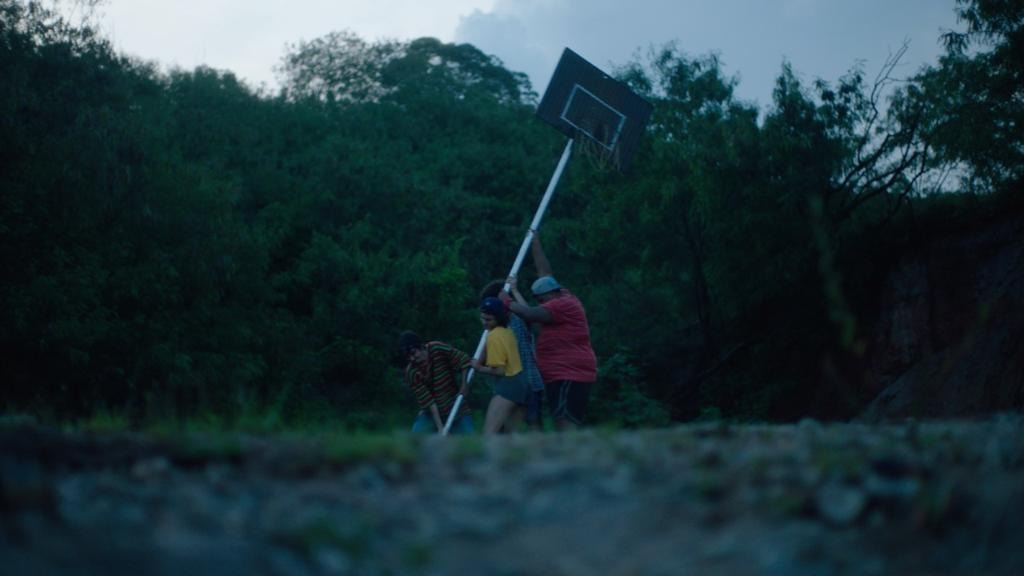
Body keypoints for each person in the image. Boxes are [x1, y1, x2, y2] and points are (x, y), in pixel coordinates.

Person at [503, 234, 597, 430]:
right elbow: (544, 272)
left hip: (570, 372)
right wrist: (535, 242)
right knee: (559, 417)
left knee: (565, 418)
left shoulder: (563, 304)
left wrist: (506, 301)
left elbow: (530, 314)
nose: (541, 302)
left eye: (542, 299)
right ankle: (569, 451)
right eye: (537, 299)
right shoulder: (557, 295)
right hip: (558, 372)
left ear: (553, 293)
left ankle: (573, 454)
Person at [480, 279, 545, 431]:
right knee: (506, 430)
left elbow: (529, 315)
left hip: (529, 381)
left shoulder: (517, 320)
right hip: (508, 384)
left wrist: (515, 291)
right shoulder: (495, 328)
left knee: (534, 426)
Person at [473, 297, 530, 434]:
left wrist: (479, 368)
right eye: (482, 318)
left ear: (498, 318)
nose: (484, 323)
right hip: (522, 385)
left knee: (489, 433)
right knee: (509, 435)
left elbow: (499, 371)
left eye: (488, 320)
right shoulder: (508, 331)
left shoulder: (494, 337)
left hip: (508, 385)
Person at [398, 331, 474, 434]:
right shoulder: (412, 372)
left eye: (413, 353)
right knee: (417, 435)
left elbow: (464, 360)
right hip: (432, 414)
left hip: (457, 407)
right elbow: (429, 402)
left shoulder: (437, 348)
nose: (412, 358)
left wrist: (464, 386)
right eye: (408, 357)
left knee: (469, 438)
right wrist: (440, 428)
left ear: (420, 346)